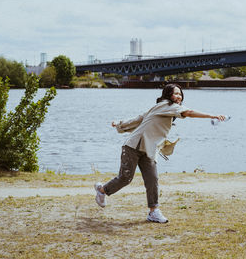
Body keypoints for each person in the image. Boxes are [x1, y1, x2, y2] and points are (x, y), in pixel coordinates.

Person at [94, 84, 225, 223]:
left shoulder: (165, 110)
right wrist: (213, 115)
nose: (179, 96)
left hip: (149, 150)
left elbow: (139, 119)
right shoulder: (166, 105)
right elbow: (189, 112)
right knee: (125, 178)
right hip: (133, 147)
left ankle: (153, 211)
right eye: (175, 93)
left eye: (180, 94)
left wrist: (119, 124)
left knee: (152, 180)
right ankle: (102, 190)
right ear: (168, 95)